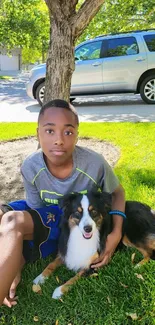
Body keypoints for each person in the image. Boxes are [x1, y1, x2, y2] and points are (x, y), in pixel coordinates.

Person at [0, 99, 125, 308]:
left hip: (73, 221)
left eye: (68, 132)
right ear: (37, 132)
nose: (59, 140)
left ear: (77, 134)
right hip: (46, 213)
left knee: (12, 222)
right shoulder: (31, 166)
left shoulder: (94, 164)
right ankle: (11, 267)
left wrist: (116, 233)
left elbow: (118, 194)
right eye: (50, 131)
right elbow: (35, 210)